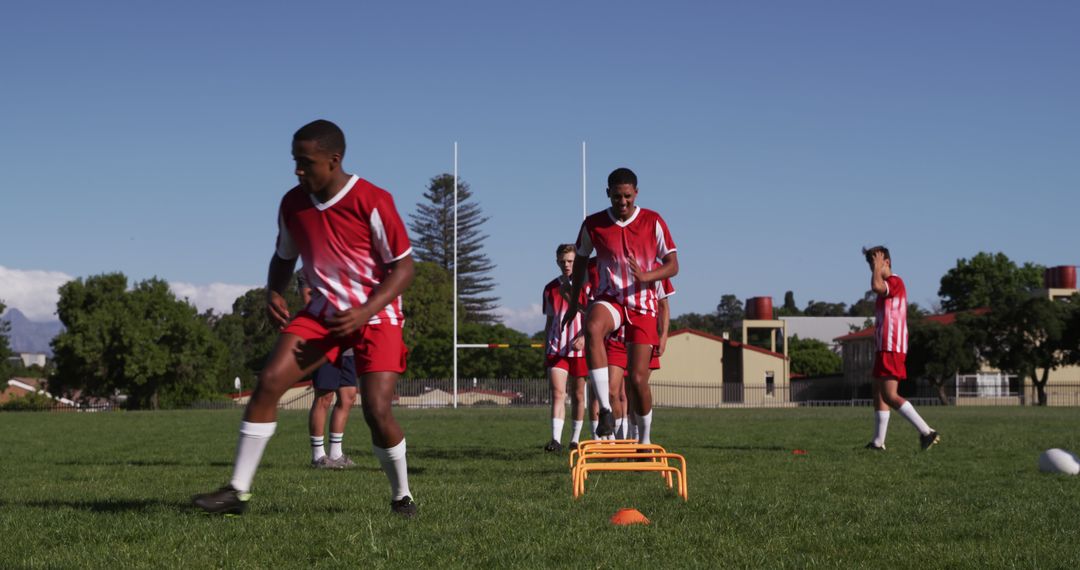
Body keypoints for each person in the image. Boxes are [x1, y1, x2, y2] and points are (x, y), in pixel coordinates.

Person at [193, 119, 418, 517]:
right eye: (294, 161)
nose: (298, 170)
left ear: (334, 160)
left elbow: (403, 269)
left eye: (306, 162)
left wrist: (364, 311)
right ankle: (237, 491)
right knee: (269, 382)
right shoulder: (292, 204)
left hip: (376, 315)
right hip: (323, 314)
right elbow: (284, 255)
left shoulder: (373, 200)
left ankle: (402, 494)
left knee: (376, 410)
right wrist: (273, 291)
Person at [565, 167, 678, 442]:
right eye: (617, 197)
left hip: (642, 305)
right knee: (592, 326)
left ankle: (645, 440)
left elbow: (673, 266)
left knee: (638, 381)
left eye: (628, 196)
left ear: (636, 193)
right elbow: (580, 258)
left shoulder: (653, 221)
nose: (623, 202)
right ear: (608, 194)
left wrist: (646, 276)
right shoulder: (594, 224)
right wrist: (575, 297)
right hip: (611, 299)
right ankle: (605, 409)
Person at [862, 246, 940, 451]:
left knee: (889, 394)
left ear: (887, 262)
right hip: (883, 346)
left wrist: (877, 268)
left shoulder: (895, 282)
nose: (873, 266)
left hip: (892, 346)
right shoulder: (886, 285)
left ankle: (927, 432)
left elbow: (876, 286)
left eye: (876, 261)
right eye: (870, 263)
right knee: (878, 393)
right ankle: (878, 443)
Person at [298, 274, 359, 469]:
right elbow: (309, 301)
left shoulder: (346, 267)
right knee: (324, 396)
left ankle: (336, 454)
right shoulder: (310, 270)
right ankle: (318, 456)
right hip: (325, 340)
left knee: (348, 396)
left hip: (347, 340)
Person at [541, 244, 588, 452]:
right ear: (557, 262)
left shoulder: (586, 285)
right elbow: (550, 321)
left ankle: (575, 440)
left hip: (579, 348)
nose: (566, 265)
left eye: (570, 261)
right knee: (558, 393)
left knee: (578, 394)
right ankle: (555, 440)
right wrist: (545, 349)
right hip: (557, 347)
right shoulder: (550, 288)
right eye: (562, 261)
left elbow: (592, 315)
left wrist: (585, 336)